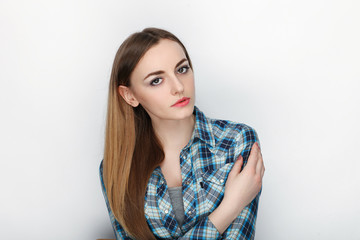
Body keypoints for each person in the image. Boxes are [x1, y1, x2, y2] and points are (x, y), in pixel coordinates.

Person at [100, 27, 265, 240]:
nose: (178, 86)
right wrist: (228, 209)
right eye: (156, 80)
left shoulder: (236, 141)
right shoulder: (116, 168)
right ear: (130, 96)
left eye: (182, 69)